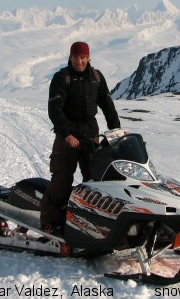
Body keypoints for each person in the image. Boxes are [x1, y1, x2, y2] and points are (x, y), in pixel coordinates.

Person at [40, 41, 121, 235]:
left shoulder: (96, 77)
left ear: (89, 58)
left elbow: (108, 105)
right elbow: (55, 109)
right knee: (62, 179)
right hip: (67, 136)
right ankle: (49, 222)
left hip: (90, 135)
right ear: (70, 57)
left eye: (83, 57)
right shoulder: (62, 78)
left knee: (95, 181)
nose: (80, 61)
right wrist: (66, 134)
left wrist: (116, 131)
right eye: (76, 57)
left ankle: (90, 223)